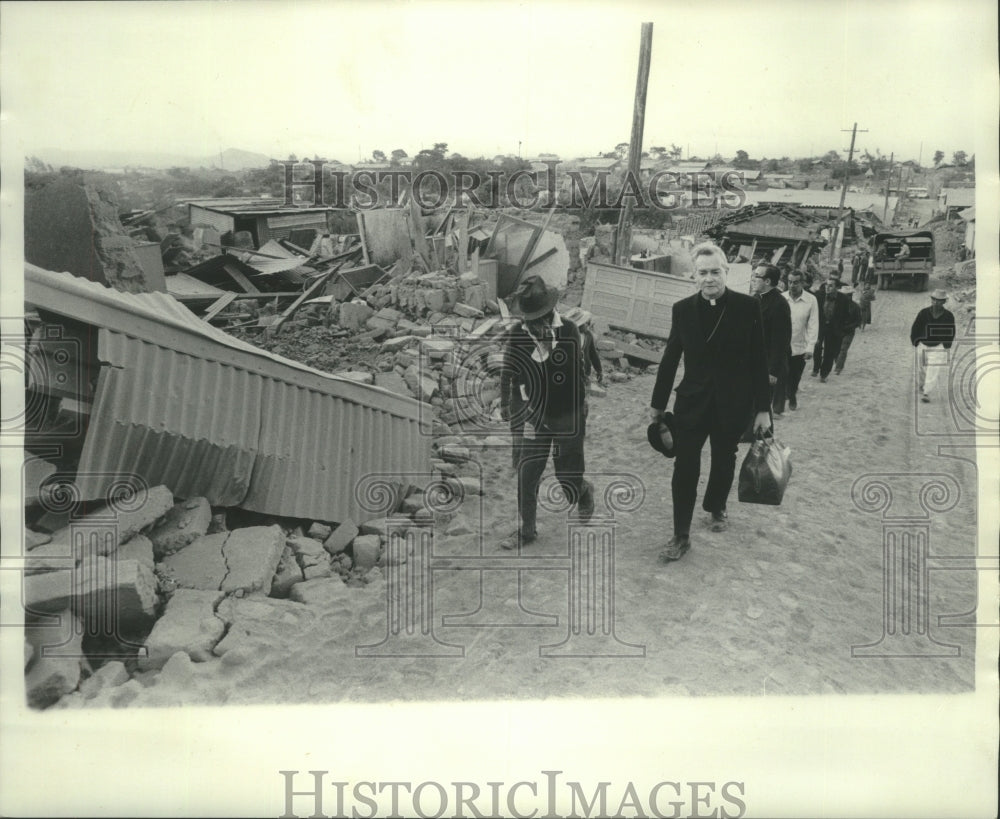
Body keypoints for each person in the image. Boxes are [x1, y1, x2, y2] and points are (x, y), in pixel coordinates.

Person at [648, 242, 771, 562]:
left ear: (727, 272)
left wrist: (763, 410)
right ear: (694, 276)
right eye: (702, 273)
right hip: (692, 402)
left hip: (733, 402)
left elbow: (760, 359)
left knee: (724, 458)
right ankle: (680, 535)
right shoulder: (682, 310)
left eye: (715, 271)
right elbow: (670, 358)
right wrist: (657, 404)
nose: (709, 278)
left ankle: (716, 506)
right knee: (685, 466)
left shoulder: (747, 307)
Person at [499, 276, 594, 549]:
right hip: (534, 415)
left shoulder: (568, 330)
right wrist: (507, 404)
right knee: (527, 473)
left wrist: (581, 408)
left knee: (567, 475)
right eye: (529, 318)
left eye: (539, 317)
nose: (533, 323)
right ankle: (527, 530)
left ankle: (583, 492)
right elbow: (508, 370)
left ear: (551, 310)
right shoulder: (518, 333)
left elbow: (576, 374)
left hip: (567, 412)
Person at [752, 264, 792, 416]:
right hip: (753, 361)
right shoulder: (755, 298)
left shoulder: (779, 304)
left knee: (762, 404)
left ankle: (760, 435)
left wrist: (773, 371)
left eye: (756, 276)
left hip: (767, 364)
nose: (753, 279)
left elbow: (781, 341)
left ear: (767, 281)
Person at [910, 288, 956, 403]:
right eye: (934, 299)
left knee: (933, 369)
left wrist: (946, 345)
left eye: (939, 300)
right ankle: (921, 385)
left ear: (944, 302)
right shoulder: (924, 312)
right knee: (920, 368)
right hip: (923, 345)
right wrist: (915, 341)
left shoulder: (948, 316)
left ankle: (926, 392)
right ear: (931, 300)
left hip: (938, 347)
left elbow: (951, 331)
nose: (935, 302)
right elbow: (916, 326)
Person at [783, 270, 819, 411]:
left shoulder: (811, 300)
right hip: (783, 345)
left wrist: (810, 347)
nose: (792, 285)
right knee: (783, 374)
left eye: (796, 282)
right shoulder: (781, 298)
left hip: (800, 346)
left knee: (795, 375)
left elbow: (813, 324)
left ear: (802, 283)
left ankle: (791, 394)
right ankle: (787, 395)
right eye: (790, 282)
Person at [811, 274, 854, 382]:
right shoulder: (818, 296)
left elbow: (847, 316)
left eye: (830, 286)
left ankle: (824, 374)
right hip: (819, 327)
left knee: (829, 353)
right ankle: (816, 368)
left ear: (837, 288)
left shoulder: (843, 299)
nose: (827, 287)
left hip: (833, 329)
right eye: (826, 285)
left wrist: (841, 329)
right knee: (816, 348)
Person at [564, 307, 604, 387]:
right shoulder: (568, 336)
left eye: (588, 323)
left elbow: (593, 353)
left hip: (585, 371)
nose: (588, 325)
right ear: (579, 324)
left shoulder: (588, 335)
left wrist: (599, 370)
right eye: (586, 323)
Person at [834, 285, 863, 375]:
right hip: (838, 331)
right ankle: (839, 363)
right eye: (846, 295)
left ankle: (838, 368)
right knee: (836, 349)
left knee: (843, 349)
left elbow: (858, 321)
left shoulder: (855, 307)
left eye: (849, 295)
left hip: (849, 331)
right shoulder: (836, 305)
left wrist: (849, 327)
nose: (848, 297)